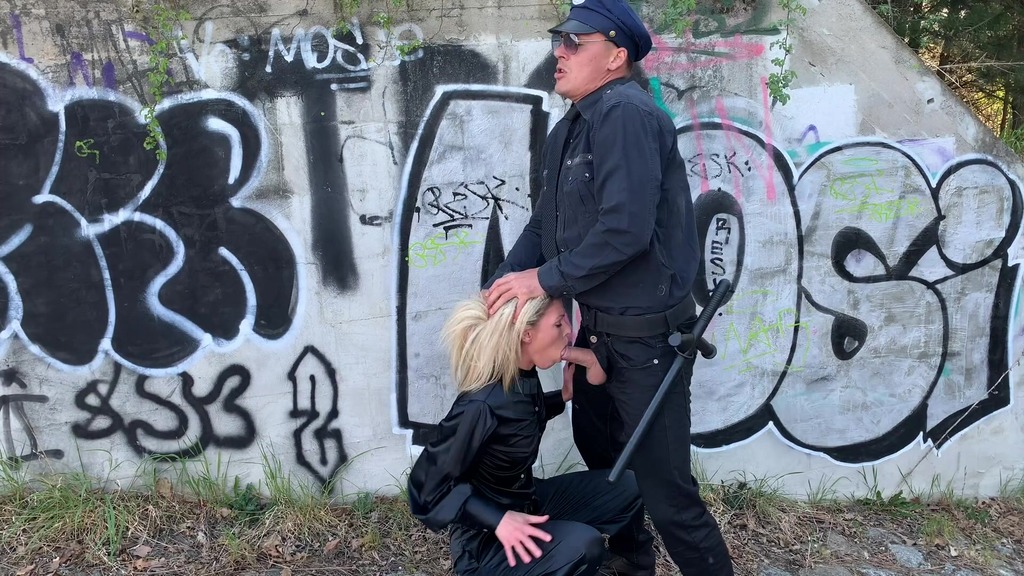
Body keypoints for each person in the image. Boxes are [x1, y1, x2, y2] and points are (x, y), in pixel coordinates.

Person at [481, 0, 735, 574]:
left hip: (647, 345)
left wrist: (542, 279)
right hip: (596, 338)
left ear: (616, 56)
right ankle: (632, 564)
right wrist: (501, 286)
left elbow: (625, 230)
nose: (559, 51)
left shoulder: (625, 113)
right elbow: (545, 227)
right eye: (558, 40)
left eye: (575, 42)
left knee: (667, 491)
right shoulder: (571, 127)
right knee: (604, 463)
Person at [407, 294, 656, 576]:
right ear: (527, 334)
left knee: (627, 486)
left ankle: (629, 563)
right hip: (485, 544)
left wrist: (562, 396)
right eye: (559, 324)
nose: (569, 331)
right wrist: (499, 520)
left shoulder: (522, 375)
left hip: (529, 503)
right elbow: (424, 488)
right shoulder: (479, 406)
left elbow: (518, 419)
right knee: (584, 546)